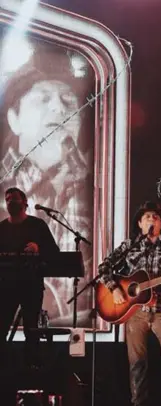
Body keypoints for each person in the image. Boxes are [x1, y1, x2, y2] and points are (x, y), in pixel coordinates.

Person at [0, 45, 94, 326]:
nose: (58, 107)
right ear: (14, 120)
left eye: (68, 98)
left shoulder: (94, 190)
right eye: (43, 98)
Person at [97, 201, 161, 406]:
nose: (152, 220)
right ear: (140, 223)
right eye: (148, 217)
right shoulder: (130, 245)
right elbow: (104, 268)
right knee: (137, 362)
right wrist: (114, 289)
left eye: (157, 218)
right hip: (135, 312)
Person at [0, 187, 60, 368]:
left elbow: (53, 253)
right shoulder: (2, 228)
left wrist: (38, 248)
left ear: (25, 203)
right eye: (7, 199)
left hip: (31, 285)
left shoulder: (37, 226)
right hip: (5, 286)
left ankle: (31, 365)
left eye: (14, 199)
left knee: (31, 329)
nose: (10, 202)